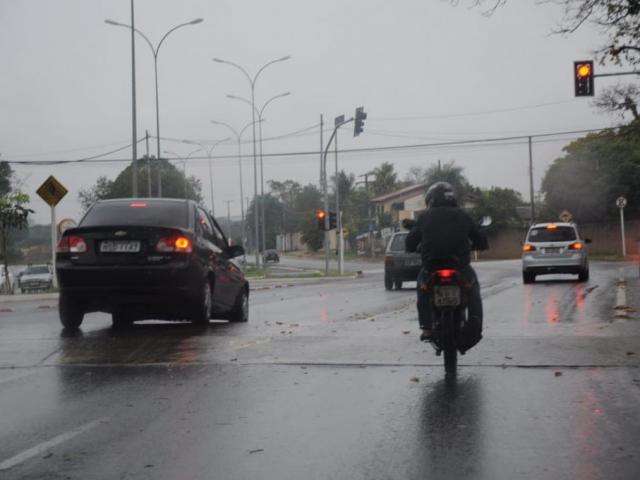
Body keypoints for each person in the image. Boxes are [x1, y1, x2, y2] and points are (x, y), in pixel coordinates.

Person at [405, 181, 488, 342]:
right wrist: (478, 244)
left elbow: (410, 243)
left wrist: (414, 246)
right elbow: (480, 239)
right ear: (452, 198)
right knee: (473, 290)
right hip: (459, 266)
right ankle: (475, 323)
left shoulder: (425, 217)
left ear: (430, 200)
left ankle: (427, 327)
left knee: (422, 288)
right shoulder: (463, 215)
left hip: (431, 266)